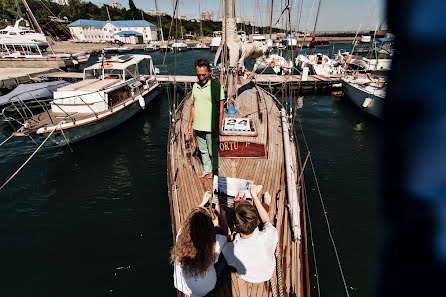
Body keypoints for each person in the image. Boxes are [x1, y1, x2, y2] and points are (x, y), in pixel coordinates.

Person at [172, 192, 228, 297]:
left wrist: (202, 203)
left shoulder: (180, 235)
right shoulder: (215, 243)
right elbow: (225, 237)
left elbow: (189, 223)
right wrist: (220, 217)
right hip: (207, 289)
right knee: (224, 256)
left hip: (181, 286)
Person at [222, 184, 279, 283]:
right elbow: (267, 221)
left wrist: (222, 215)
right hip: (268, 273)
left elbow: (225, 240)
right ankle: (266, 203)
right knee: (262, 212)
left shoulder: (231, 250)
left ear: (235, 225)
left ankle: (263, 203)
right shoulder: (270, 234)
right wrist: (255, 197)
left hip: (247, 276)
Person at [187, 58, 225, 179]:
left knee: (212, 150)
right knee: (203, 150)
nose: (201, 77)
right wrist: (189, 123)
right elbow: (193, 106)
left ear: (209, 72)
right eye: (199, 75)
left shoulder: (216, 86)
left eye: (204, 74)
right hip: (198, 125)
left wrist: (218, 127)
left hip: (210, 126)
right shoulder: (195, 86)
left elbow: (221, 108)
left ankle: (215, 171)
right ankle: (207, 170)